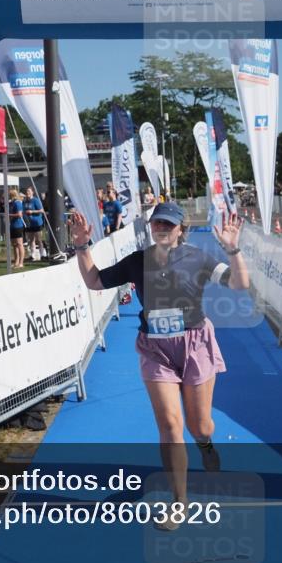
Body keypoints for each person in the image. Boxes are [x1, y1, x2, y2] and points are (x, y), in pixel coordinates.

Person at [69, 202, 249, 530]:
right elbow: (95, 281)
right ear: (150, 228)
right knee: (168, 423)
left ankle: (206, 444)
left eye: (169, 224)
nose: (162, 229)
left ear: (181, 229)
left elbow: (239, 284)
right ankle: (179, 502)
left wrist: (234, 250)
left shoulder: (199, 258)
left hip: (195, 344)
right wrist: (82, 246)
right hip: (156, 349)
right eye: (157, 224)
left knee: (201, 426)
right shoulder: (138, 261)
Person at [23, 187, 45, 261]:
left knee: (39, 240)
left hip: (37, 223)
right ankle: (33, 255)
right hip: (29, 223)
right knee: (31, 240)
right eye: (26, 191)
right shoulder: (24, 201)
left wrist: (32, 212)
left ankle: (42, 255)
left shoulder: (35, 200)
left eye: (29, 191)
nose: (27, 193)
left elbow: (41, 210)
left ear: (33, 192)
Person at [8, 188, 26, 269]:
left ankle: (21, 262)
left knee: (19, 244)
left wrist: (9, 215)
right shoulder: (11, 203)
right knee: (14, 245)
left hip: (18, 225)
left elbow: (19, 214)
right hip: (12, 226)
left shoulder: (18, 203)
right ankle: (16, 261)